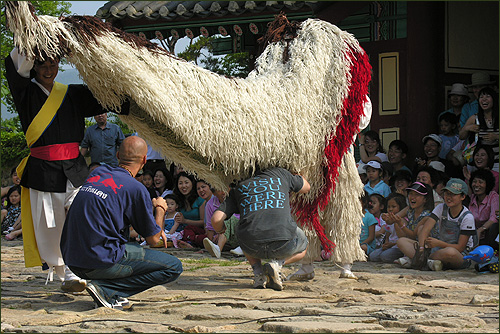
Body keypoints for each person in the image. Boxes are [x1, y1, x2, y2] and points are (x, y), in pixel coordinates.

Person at [5, 47, 127, 291]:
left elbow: (110, 98)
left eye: (53, 64)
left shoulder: (72, 93)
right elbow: (14, 65)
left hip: (75, 168)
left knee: (83, 214)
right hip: (44, 169)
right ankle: (67, 272)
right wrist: (32, 35)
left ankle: (89, 264)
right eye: (42, 65)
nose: (48, 70)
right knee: (53, 223)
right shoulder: (25, 93)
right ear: (34, 68)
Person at [60, 136, 183, 309]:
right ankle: (108, 289)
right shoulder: (136, 188)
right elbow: (154, 240)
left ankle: (103, 285)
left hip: (72, 260)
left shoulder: (97, 173)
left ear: (118, 155)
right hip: (97, 261)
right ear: (144, 160)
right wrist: (160, 209)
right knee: (173, 266)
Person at [212, 167, 310, 291]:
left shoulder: (239, 185)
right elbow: (306, 187)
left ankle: (258, 274)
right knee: (304, 245)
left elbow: (216, 219)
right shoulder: (281, 174)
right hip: (284, 244)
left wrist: (221, 230)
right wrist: (296, 175)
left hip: (251, 247)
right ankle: (277, 264)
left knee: (242, 228)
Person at [398, 178, 477, 271]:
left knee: (450, 253)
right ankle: (428, 261)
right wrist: (421, 248)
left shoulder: (467, 217)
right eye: (447, 194)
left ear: (463, 197)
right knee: (401, 241)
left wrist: (438, 243)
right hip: (437, 249)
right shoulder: (441, 207)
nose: (448, 197)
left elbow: (460, 247)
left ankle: (420, 261)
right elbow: (426, 229)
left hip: (460, 254)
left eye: (453, 194)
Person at [385, 182, 434, 268]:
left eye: (417, 195)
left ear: (425, 199)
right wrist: (386, 218)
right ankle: (420, 261)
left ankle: (421, 260)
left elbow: (412, 235)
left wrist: (400, 224)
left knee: (420, 229)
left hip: (427, 248)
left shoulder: (427, 215)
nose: (412, 197)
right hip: (415, 245)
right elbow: (392, 220)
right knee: (400, 241)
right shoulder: (409, 209)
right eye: (411, 194)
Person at [459, 87, 499, 172]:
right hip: (477, 163)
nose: (484, 99)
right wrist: (467, 128)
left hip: (497, 162)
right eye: (481, 97)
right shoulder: (474, 118)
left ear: (494, 99)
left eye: (487, 96)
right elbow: (461, 136)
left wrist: (496, 136)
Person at [202, 186, 241, 258]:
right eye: (220, 190)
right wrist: (212, 242)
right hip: (225, 239)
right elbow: (210, 227)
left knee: (228, 218)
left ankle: (218, 248)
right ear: (214, 193)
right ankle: (216, 248)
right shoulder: (210, 204)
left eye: (226, 189)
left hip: (240, 234)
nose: (223, 193)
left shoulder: (238, 199)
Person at [369, 193, 406, 263]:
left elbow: (402, 238)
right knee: (373, 256)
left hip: (398, 247)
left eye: (393, 207)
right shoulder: (388, 220)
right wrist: (386, 244)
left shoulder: (402, 220)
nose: (390, 209)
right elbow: (387, 235)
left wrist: (392, 245)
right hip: (390, 246)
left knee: (385, 256)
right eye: (389, 207)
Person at [468, 169, 499, 249]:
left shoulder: (493, 196)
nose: (476, 185)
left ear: (487, 184)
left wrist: (481, 230)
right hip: (474, 236)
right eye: (474, 182)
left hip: (489, 235)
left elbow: (494, 218)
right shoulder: (472, 198)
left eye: (480, 182)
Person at [175, 172, 206, 247]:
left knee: (189, 229)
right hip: (182, 231)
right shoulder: (178, 200)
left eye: (186, 182)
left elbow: (203, 222)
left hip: (197, 231)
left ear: (192, 183)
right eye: (180, 183)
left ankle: (190, 243)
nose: (183, 186)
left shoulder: (200, 200)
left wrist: (185, 221)